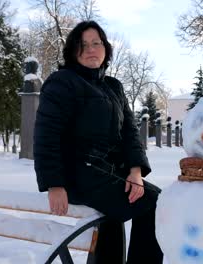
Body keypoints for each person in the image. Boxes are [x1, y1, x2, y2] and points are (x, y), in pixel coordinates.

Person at [33, 20, 163, 264]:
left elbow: (130, 132)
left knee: (140, 202)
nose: (91, 49)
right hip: (77, 174)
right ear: (73, 51)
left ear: (106, 48)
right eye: (83, 45)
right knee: (153, 202)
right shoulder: (63, 81)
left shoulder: (113, 86)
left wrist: (135, 171)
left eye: (96, 43)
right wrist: (54, 184)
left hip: (108, 172)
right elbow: (46, 134)